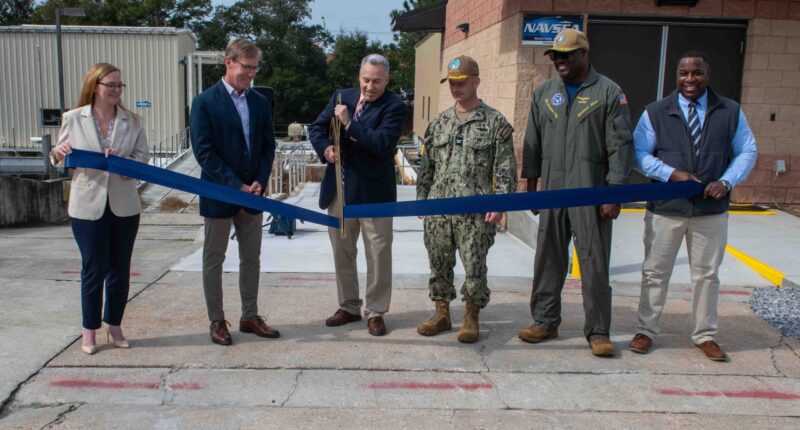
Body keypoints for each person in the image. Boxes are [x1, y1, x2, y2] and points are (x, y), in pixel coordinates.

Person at [628, 51, 757, 362]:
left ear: (707, 75)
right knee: (655, 273)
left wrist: (726, 182)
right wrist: (670, 173)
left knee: (706, 275)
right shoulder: (656, 112)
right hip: (666, 207)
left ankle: (705, 335)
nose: (689, 79)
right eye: (683, 73)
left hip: (709, 211)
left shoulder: (730, 111)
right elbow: (638, 153)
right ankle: (646, 330)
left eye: (696, 73)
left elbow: (747, 151)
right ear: (676, 76)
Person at [518, 29, 634, 357]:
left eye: (566, 55)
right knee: (548, 259)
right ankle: (544, 320)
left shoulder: (609, 92)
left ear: (584, 53)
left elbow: (620, 147)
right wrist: (531, 185)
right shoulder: (543, 93)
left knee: (594, 263)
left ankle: (598, 331)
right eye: (555, 56)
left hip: (590, 193)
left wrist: (614, 194)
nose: (559, 62)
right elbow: (533, 142)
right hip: (553, 191)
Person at [49, 63, 150, 355]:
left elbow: (143, 159)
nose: (117, 90)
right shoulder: (73, 118)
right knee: (92, 268)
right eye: (111, 85)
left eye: (120, 85)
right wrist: (60, 152)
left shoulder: (133, 121)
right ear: (95, 86)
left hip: (124, 205)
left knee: (120, 268)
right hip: (87, 206)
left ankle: (115, 325)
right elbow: (56, 158)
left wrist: (124, 162)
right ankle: (89, 330)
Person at [416, 55, 516, 343]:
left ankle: (471, 315)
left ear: (476, 81)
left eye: (461, 82)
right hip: (438, 207)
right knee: (438, 261)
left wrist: (501, 204)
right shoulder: (439, 123)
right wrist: (422, 198)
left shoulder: (495, 122)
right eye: (452, 83)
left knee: (474, 265)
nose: (456, 88)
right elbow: (427, 165)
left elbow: (506, 167)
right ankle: (441, 312)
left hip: (475, 211)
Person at [309, 54, 407, 336]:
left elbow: (381, 144)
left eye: (376, 81)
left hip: (374, 192)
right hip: (339, 188)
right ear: (359, 76)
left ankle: (376, 311)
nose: (369, 86)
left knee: (377, 253)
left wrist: (350, 124)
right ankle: (348, 306)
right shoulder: (341, 96)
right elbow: (317, 128)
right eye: (365, 79)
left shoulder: (394, 106)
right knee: (342, 251)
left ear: (387, 80)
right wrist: (326, 149)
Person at [190, 38, 278, 346]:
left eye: (255, 68)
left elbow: (268, 146)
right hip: (218, 194)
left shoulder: (259, 102)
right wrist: (236, 185)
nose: (251, 74)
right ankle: (217, 320)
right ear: (228, 62)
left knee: (251, 258)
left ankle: (249, 316)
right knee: (214, 258)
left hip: (253, 195)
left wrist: (259, 181)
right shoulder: (204, 103)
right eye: (246, 67)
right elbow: (204, 153)